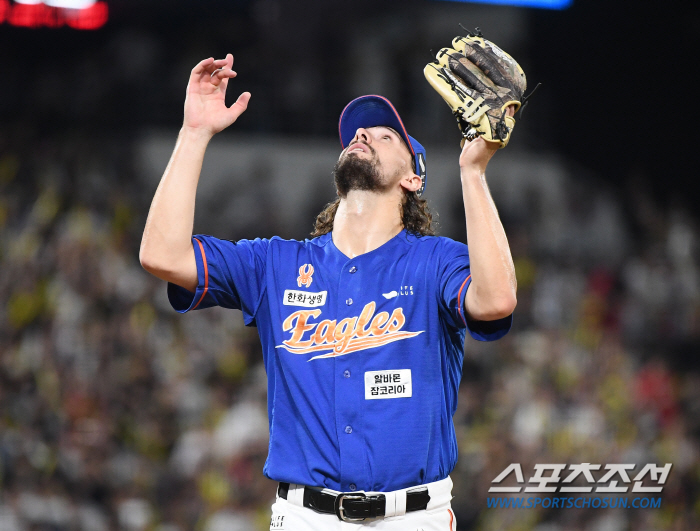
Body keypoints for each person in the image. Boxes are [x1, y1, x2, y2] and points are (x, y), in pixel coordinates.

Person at [140, 53, 517, 530]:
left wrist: (473, 173)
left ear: (413, 177)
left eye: (385, 136)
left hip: (412, 518)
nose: (363, 136)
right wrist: (194, 134)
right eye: (358, 134)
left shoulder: (433, 261)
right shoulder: (275, 264)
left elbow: (496, 300)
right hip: (304, 517)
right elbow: (161, 254)